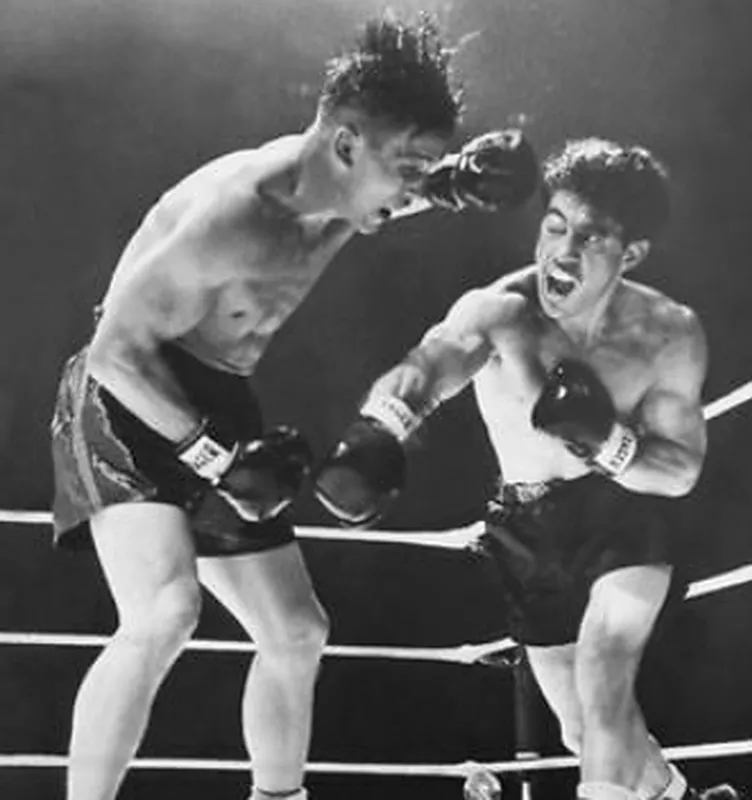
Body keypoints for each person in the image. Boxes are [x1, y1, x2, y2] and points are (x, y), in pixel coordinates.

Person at [49, 11, 538, 800]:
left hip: (217, 393)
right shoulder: (238, 216)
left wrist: (452, 183)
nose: (413, 185)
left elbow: (389, 194)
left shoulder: (345, 189)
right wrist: (215, 458)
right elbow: (115, 354)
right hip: (128, 394)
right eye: (410, 165)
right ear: (346, 144)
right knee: (165, 612)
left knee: (298, 631)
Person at [314, 137, 733, 800]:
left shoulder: (669, 334)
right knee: (584, 728)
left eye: (590, 239)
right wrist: (376, 434)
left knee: (604, 676)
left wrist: (609, 443)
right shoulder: (502, 313)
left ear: (631, 255)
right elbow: (431, 364)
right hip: (526, 531)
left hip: (620, 520)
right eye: (555, 226)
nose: (561, 253)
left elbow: (679, 470)